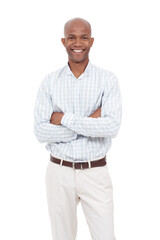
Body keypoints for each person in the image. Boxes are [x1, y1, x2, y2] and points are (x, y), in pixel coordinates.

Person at [34, 17, 122, 240]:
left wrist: (62, 118)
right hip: (59, 173)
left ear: (92, 41)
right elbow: (41, 131)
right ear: (63, 41)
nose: (78, 43)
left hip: (95, 173)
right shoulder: (50, 81)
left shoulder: (107, 80)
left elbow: (111, 126)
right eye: (71, 37)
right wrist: (90, 122)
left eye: (84, 37)